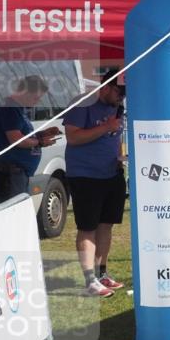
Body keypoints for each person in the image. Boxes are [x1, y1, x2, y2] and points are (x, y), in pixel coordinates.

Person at [63, 69, 127, 298]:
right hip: (85, 175)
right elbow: (73, 137)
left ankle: (101, 273)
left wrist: (120, 158)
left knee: (106, 225)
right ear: (106, 85)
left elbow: (115, 137)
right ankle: (89, 280)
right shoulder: (82, 103)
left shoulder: (117, 107)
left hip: (111, 173)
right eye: (119, 93)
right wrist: (105, 128)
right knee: (87, 227)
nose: (121, 98)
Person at [0, 75, 60, 205]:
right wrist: (40, 142)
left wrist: (42, 134)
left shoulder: (18, 108)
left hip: (15, 172)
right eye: (36, 98)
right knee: (13, 211)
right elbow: (16, 139)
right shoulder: (10, 108)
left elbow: (22, 135)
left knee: (17, 210)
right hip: (8, 171)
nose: (37, 102)